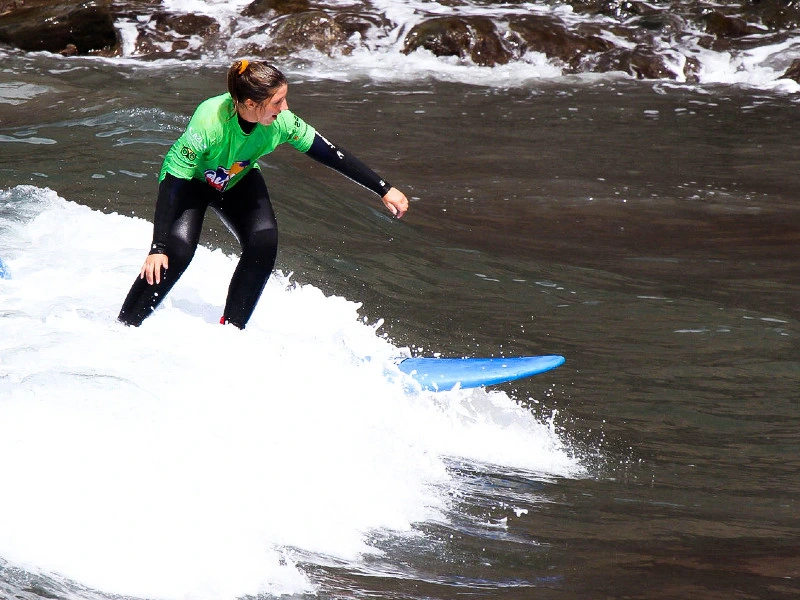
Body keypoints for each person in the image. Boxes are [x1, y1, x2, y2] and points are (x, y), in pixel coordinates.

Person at [118, 59, 409, 329]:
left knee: (263, 241)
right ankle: (124, 326)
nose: (285, 108)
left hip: (236, 177)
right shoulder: (209, 122)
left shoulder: (282, 122)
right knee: (176, 251)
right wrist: (157, 247)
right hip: (190, 183)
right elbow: (173, 183)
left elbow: (330, 153)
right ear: (250, 103)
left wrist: (383, 188)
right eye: (277, 101)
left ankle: (231, 331)